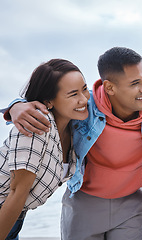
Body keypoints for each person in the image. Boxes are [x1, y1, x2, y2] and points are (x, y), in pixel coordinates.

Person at [4, 47, 142, 240]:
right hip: (82, 204)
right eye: (135, 83)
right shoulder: (85, 108)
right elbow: (51, 102)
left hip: (130, 206)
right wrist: (16, 106)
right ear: (109, 87)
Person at [0, 59, 90, 240]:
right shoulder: (37, 125)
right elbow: (17, 193)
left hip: (15, 218)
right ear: (49, 101)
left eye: (84, 89)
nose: (84, 99)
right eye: (73, 94)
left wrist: (15, 105)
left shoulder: (73, 127)